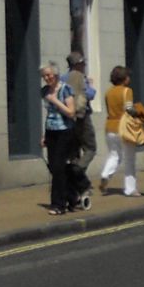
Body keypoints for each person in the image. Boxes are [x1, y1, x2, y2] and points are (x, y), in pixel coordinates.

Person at [100, 65, 144, 196]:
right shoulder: (127, 91)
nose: (129, 79)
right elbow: (129, 109)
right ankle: (130, 189)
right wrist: (139, 112)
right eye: (128, 76)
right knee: (129, 159)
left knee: (114, 155)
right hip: (124, 127)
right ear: (124, 79)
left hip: (110, 126)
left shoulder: (108, 92)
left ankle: (105, 174)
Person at [41, 63, 81, 213]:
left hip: (65, 131)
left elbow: (71, 112)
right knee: (54, 167)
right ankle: (72, 196)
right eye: (44, 76)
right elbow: (48, 114)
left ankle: (58, 205)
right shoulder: (45, 91)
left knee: (58, 167)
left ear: (56, 75)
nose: (47, 78)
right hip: (51, 131)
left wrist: (55, 101)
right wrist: (44, 135)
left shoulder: (65, 89)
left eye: (49, 75)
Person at [65, 53, 97, 202]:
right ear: (78, 64)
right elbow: (90, 94)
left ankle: (74, 188)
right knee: (90, 148)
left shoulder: (63, 78)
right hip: (83, 118)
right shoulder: (81, 77)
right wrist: (90, 85)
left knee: (74, 153)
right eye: (83, 64)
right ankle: (77, 173)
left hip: (68, 119)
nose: (84, 66)